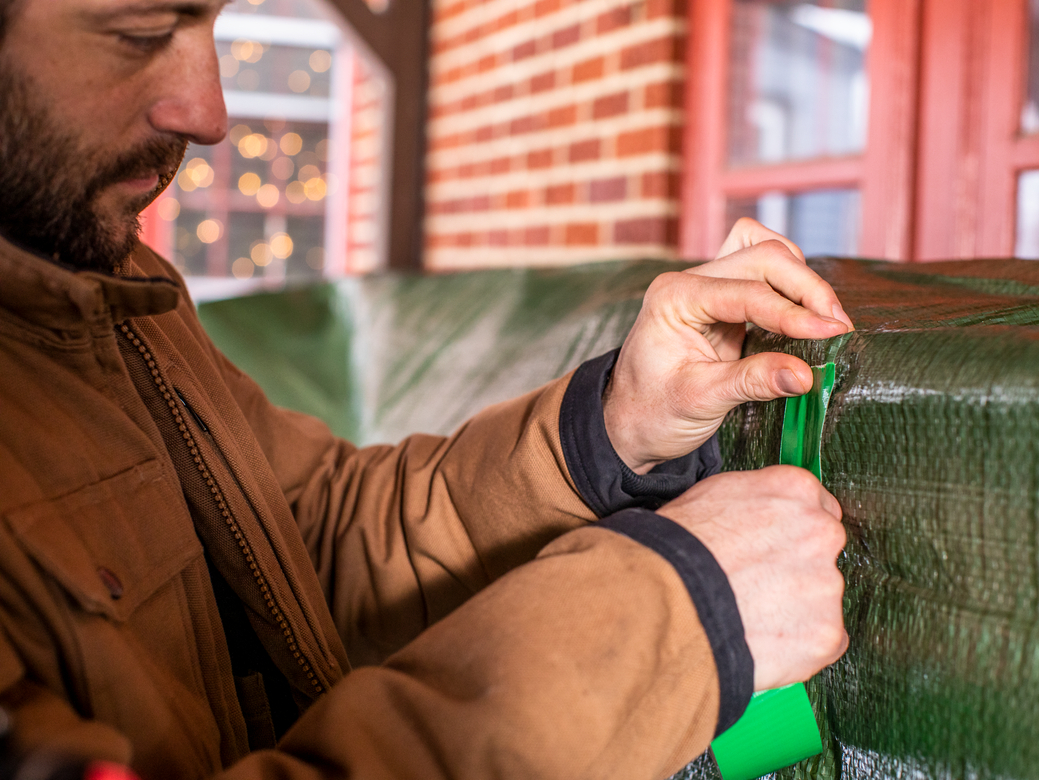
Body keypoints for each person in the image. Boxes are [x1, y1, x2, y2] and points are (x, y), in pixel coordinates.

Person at [0, 1, 853, 778]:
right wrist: (670, 618)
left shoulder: (100, 286)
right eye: (141, 32)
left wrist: (611, 432)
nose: (210, 111)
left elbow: (314, 538)